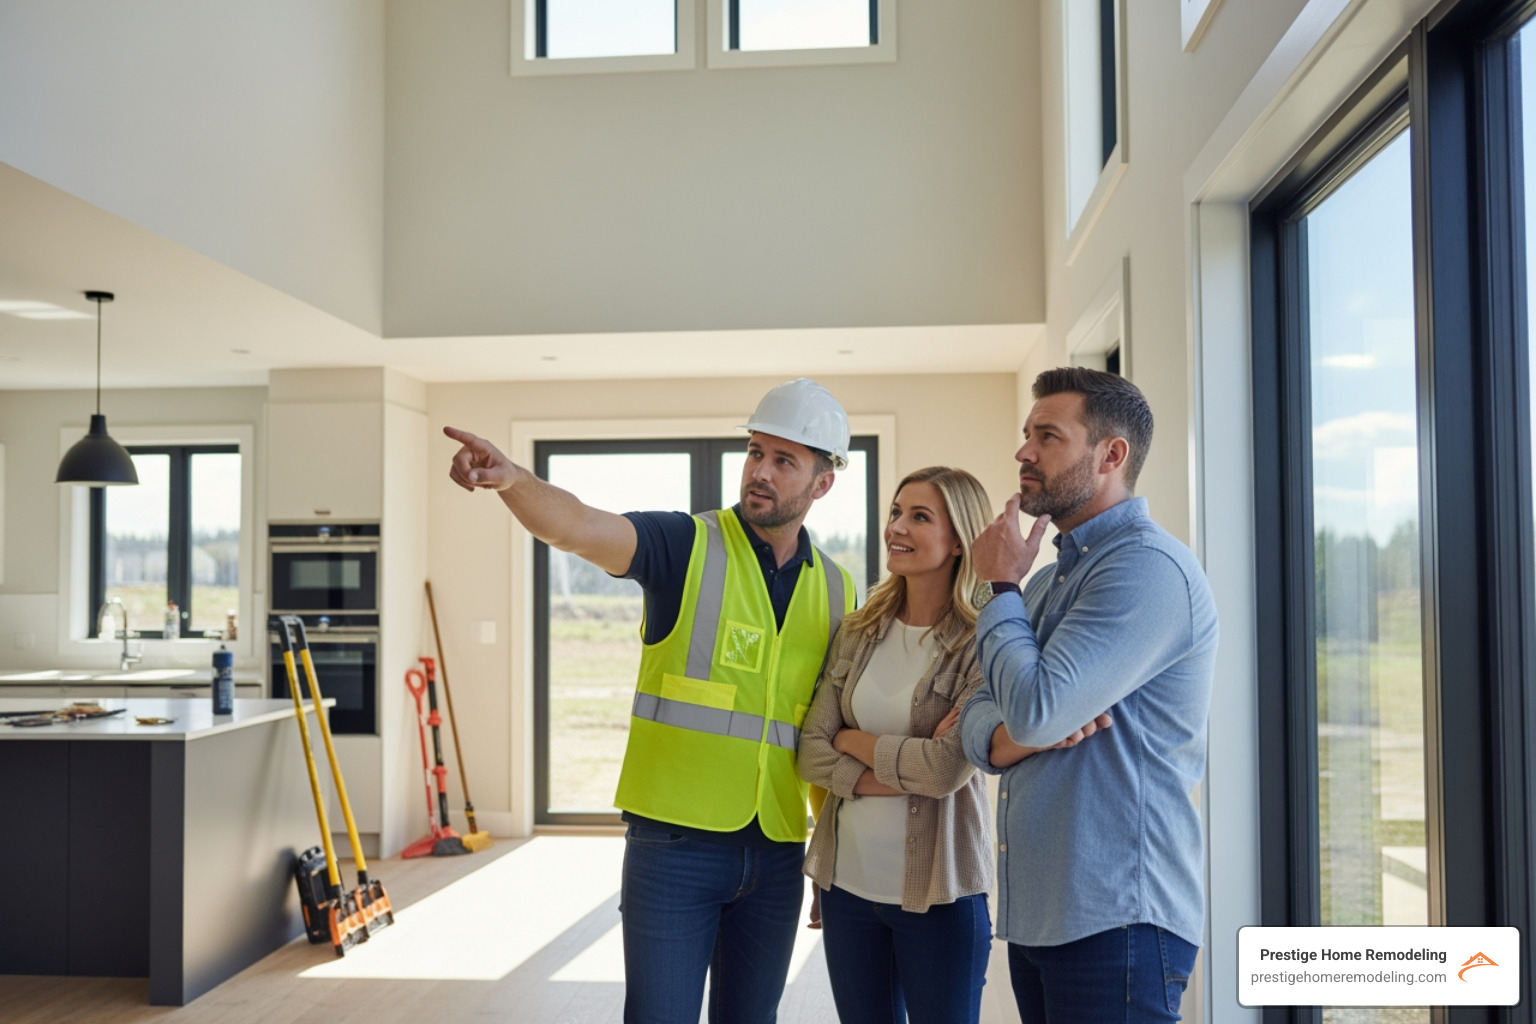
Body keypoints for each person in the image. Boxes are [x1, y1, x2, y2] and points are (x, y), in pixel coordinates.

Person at [444, 378, 856, 1024]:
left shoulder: (836, 589)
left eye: (784, 461)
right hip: (673, 852)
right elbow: (580, 526)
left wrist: (830, 858)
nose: (760, 472)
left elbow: (825, 733)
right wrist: (514, 480)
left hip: (777, 852)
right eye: (755, 452)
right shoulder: (685, 547)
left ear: (822, 483)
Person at [798, 467, 1111, 1024]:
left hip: (941, 897)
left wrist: (855, 740)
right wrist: (888, 765)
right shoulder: (858, 629)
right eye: (896, 512)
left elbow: (944, 771)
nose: (898, 526)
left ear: (960, 540)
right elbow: (813, 751)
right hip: (845, 886)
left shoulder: (981, 640)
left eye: (920, 517)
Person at [958, 367, 1219, 1024]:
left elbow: (1035, 709)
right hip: (1047, 919)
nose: (1023, 452)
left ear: (1111, 455)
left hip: (1118, 921)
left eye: (1047, 436)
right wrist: (1013, 727)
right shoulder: (1047, 582)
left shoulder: (1144, 569)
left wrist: (1000, 590)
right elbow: (977, 712)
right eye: (1026, 434)